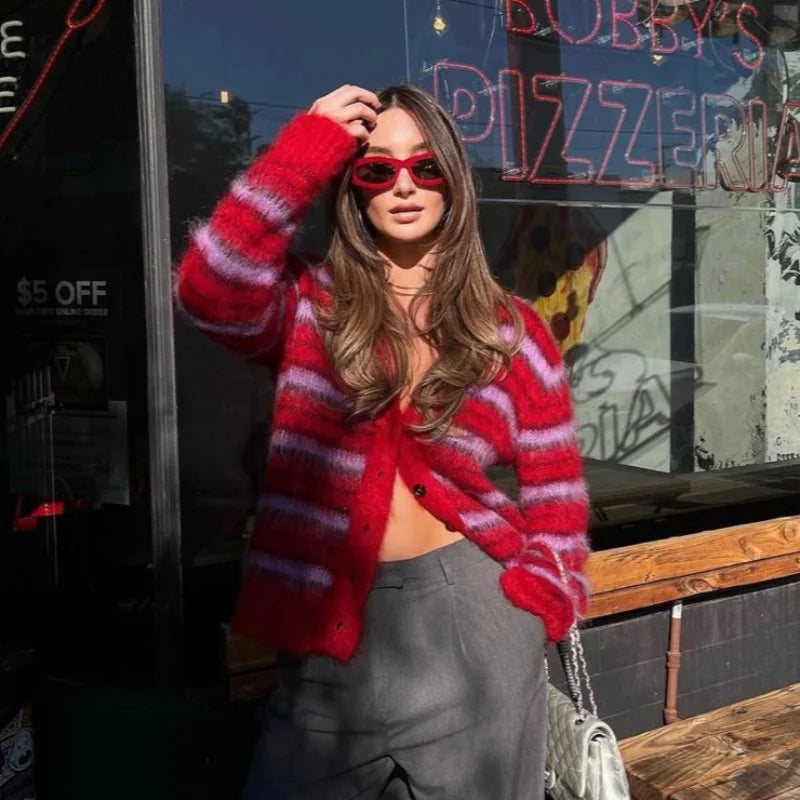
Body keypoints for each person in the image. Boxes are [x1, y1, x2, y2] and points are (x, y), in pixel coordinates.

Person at [175, 83, 589, 799]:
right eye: (377, 168)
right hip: (329, 636)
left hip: (474, 625)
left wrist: (544, 596)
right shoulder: (310, 305)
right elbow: (211, 285)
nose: (404, 185)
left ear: (454, 182)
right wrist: (307, 148)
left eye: (426, 168)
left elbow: (557, 490)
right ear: (353, 188)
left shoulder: (513, 331)